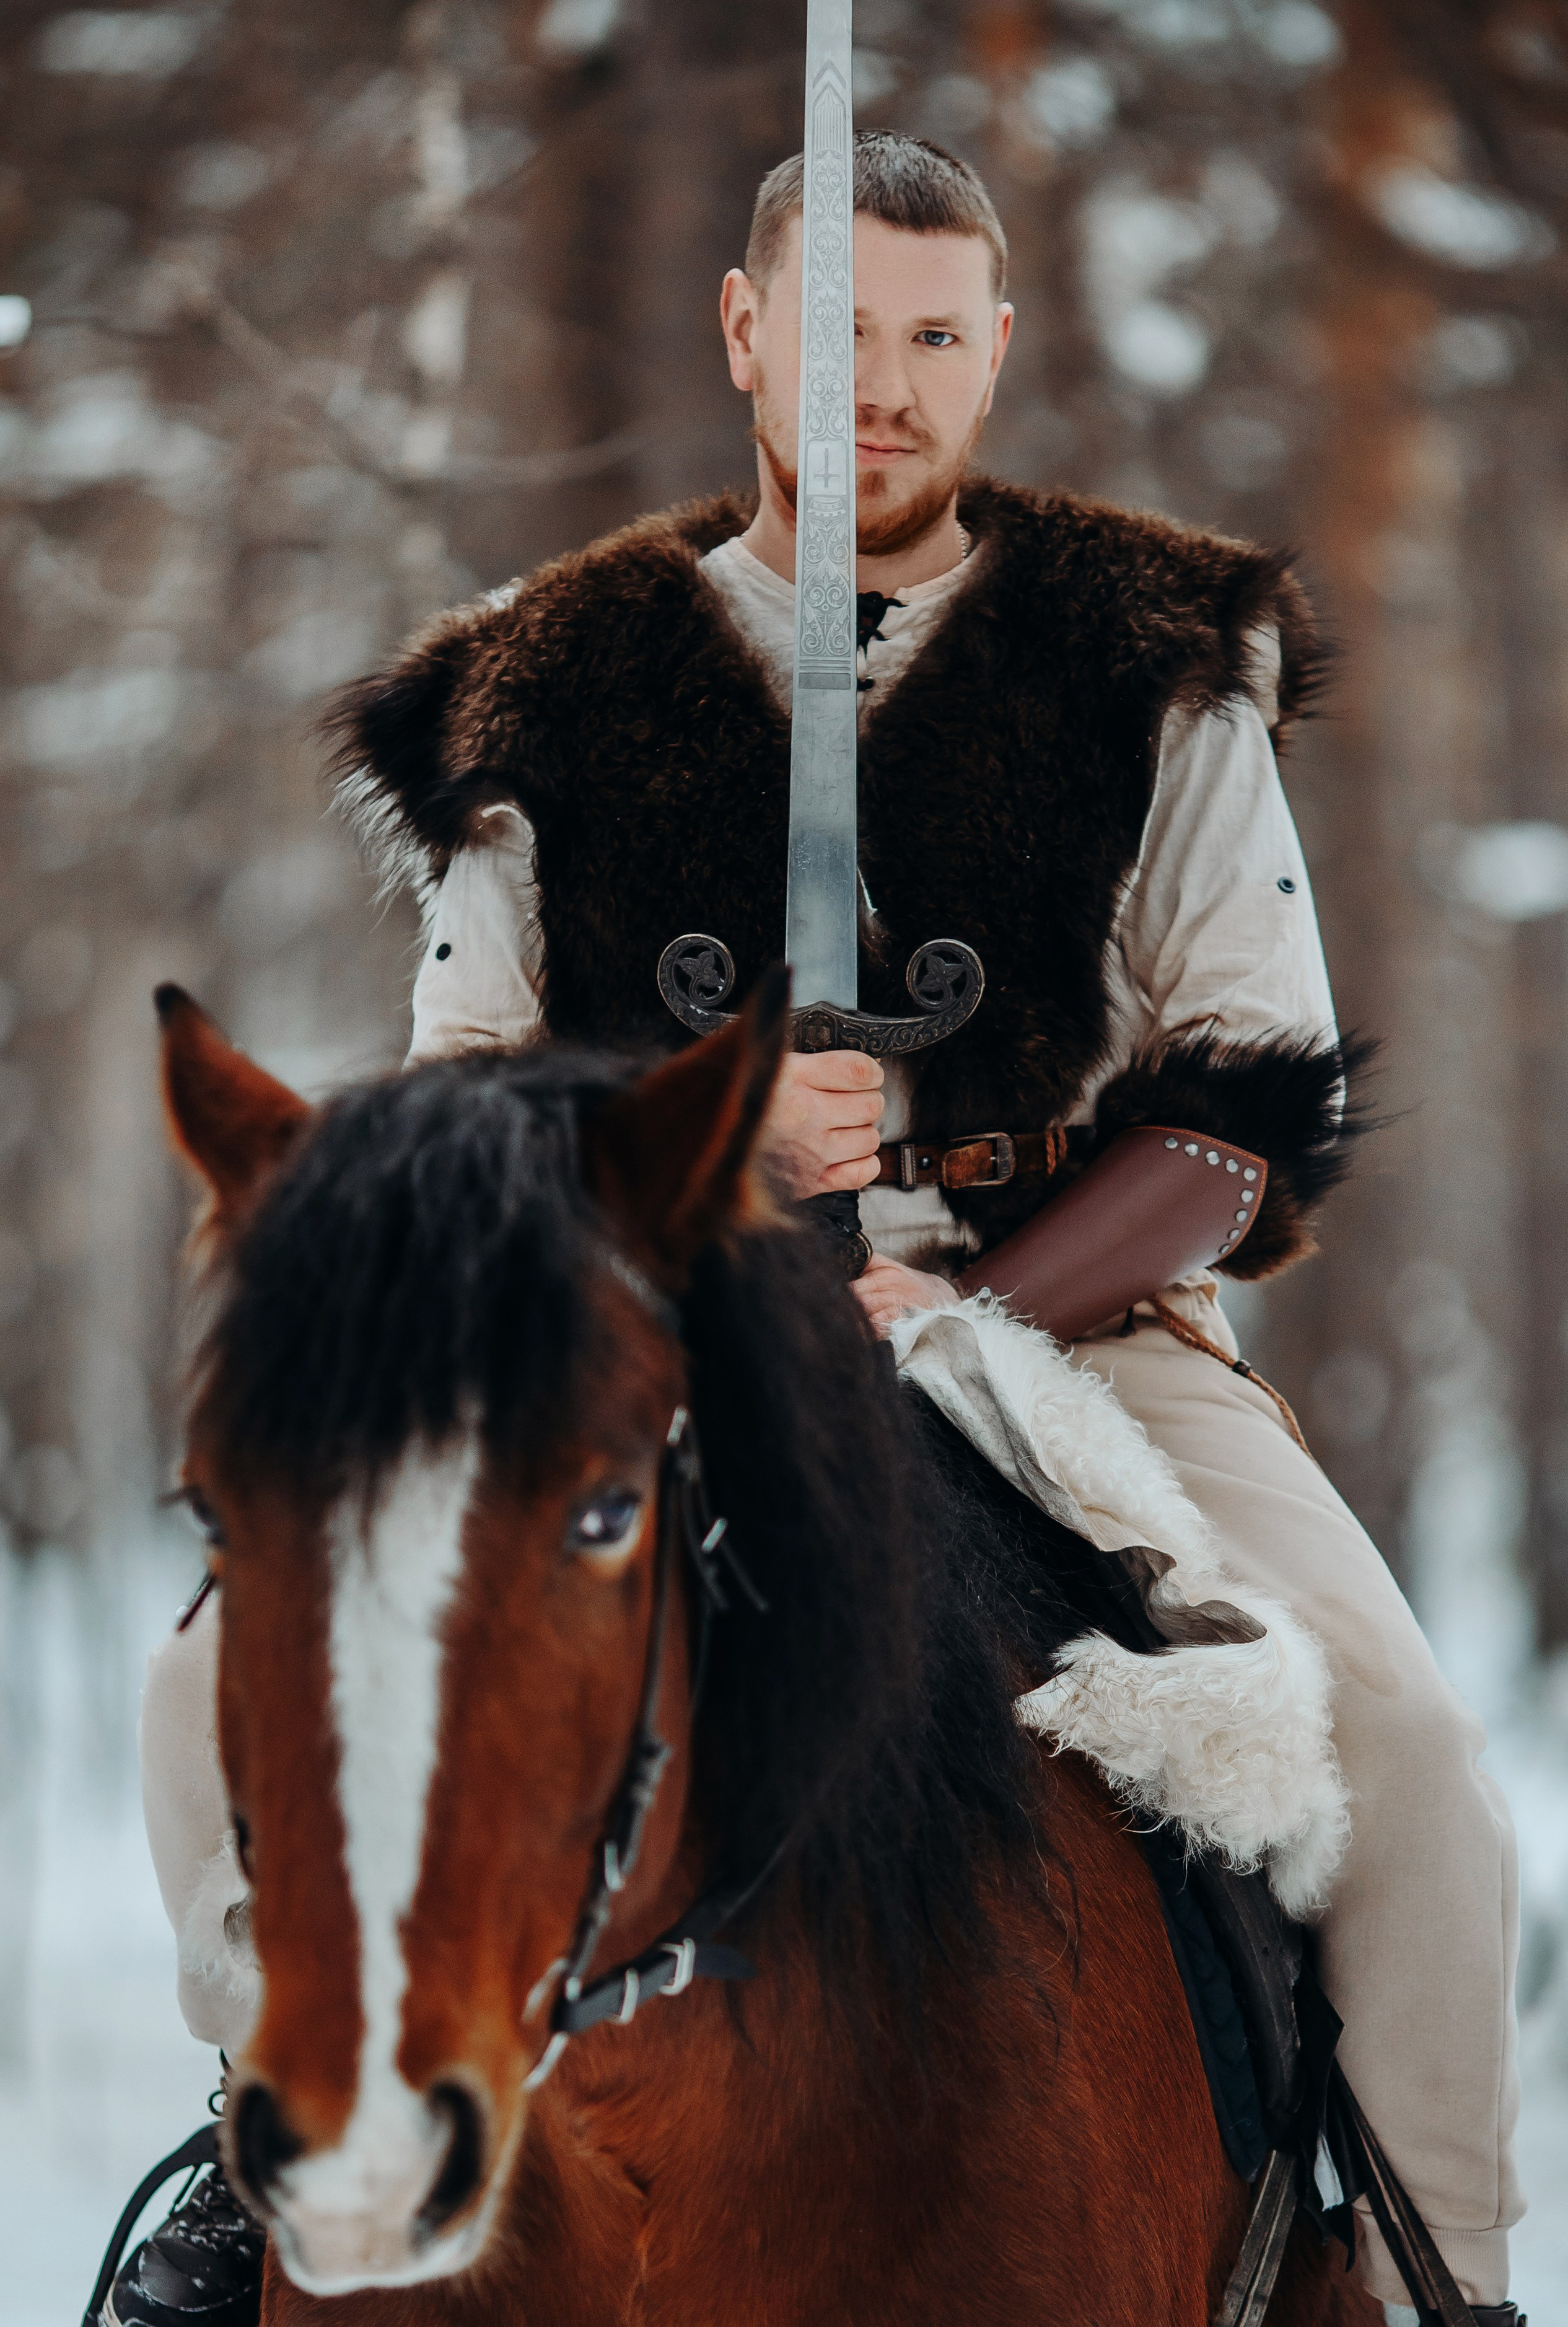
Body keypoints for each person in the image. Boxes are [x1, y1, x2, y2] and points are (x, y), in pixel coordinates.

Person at [120, 131, 1521, 2327]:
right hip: (643, 1330)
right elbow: (466, 1100)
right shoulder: (537, 683)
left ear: (999, 352)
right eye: (847, 334)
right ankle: (282, 2160)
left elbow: (1249, 1106)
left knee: (1415, 1762)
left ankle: (1434, 2269)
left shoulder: (1155, 658)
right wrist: (721, 1142)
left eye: (939, 340)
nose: (890, 388)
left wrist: (961, 1304)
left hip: (1085, 1335)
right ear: (748, 328)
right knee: (220, 1682)